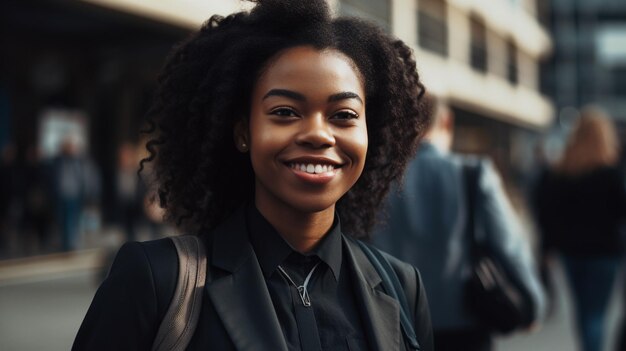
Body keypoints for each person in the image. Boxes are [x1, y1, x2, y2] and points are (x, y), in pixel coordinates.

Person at [73, 1, 434, 350]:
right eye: (285, 111)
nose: (319, 134)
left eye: (343, 115)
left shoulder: (401, 287)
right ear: (242, 132)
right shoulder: (155, 280)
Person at [373, 98, 545, 351]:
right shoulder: (473, 174)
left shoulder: (375, 180)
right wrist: (533, 305)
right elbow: (510, 246)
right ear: (446, 121)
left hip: (392, 324)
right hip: (464, 322)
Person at [534, 107, 626, 351]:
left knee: (583, 312)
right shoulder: (611, 174)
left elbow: (549, 216)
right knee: (597, 314)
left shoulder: (562, 174)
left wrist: (546, 250)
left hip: (572, 253)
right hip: (606, 254)